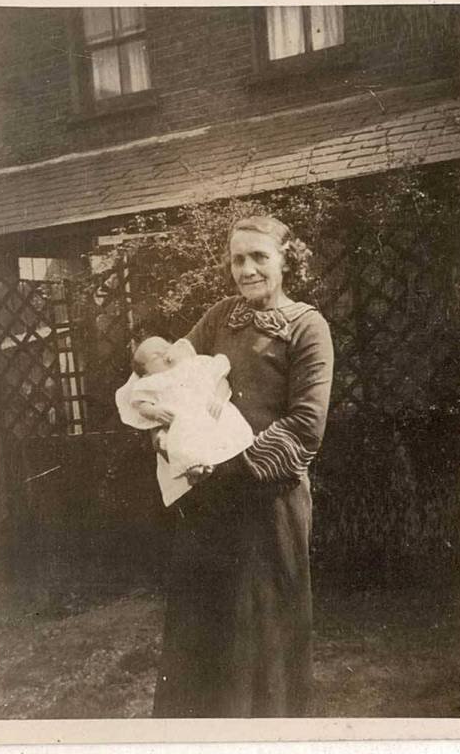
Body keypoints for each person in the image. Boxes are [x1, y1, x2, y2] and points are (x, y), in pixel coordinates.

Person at [152, 215, 334, 718]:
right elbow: (176, 378)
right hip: (208, 504)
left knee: (263, 637)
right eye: (238, 258)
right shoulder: (218, 318)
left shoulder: (307, 327)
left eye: (260, 256)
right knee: (204, 641)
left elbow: (305, 425)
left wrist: (229, 468)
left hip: (267, 504)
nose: (248, 269)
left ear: (285, 259)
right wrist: (167, 431)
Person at [114, 336, 254, 507]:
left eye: (166, 347)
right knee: (181, 441)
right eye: (155, 356)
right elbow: (140, 404)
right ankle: (194, 469)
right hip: (183, 421)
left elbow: (221, 379)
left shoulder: (196, 363)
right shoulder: (152, 382)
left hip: (211, 413)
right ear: (145, 372)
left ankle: (217, 461)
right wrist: (155, 412)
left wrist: (218, 398)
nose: (165, 353)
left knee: (225, 435)